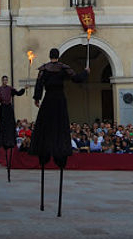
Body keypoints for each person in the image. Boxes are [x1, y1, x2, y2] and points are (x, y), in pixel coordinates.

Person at [30, 47, 89, 216]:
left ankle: (43, 152)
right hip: (60, 101)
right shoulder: (63, 68)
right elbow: (77, 79)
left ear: (50, 56)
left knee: (45, 127)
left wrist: (36, 98)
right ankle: (59, 152)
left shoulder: (44, 69)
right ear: (58, 56)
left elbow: (39, 84)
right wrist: (85, 72)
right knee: (60, 126)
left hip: (48, 100)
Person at [0, 75, 25, 181]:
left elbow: (18, 93)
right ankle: (4, 137)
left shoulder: (11, 89)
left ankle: (11, 136)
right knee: (4, 123)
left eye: (6, 80)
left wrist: (24, 89)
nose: (5, 81)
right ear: (2, 81)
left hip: (9, 107)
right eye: (4, 80)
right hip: (3, 107)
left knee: (10, 122)